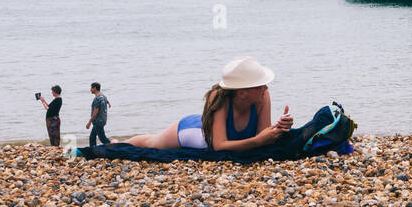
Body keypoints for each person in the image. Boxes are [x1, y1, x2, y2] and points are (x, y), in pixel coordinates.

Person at [125, 56, 292, 151]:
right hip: (194, 131)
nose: (265, 87)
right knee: (151, 143)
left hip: (212, 124)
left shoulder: (263, 96)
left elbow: (263, 137)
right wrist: (257, 141)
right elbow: (220, 146)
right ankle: (119, 144)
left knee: (150, 141)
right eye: (259, 85)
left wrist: (278, 128)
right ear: (242, 93)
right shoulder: (218, 97)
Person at [86, 82, 112, 147]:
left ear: (94, 88)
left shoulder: (97, 99)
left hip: (98, 121)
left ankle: (114, 147)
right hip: (102, 120)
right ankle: (92, 150)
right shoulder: (103, 96)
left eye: (91, 88)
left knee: (103, 138)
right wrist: (108, 103)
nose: (90, 89)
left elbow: (95, 112)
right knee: (92, 137)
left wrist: (89, 122)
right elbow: (105, 100)